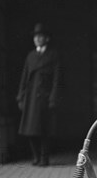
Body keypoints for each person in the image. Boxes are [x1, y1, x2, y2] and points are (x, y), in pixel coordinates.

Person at [16, 23, 62, 167]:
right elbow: (24, 76)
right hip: (31, 97)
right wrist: (21, 96)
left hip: (45, 97)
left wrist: (53, 97)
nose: (37, 39)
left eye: (40, 36)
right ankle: (35, 156)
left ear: (46, 39)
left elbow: (57, 78)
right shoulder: (31, 56)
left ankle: (44, 158)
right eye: (35, 37)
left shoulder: (53, 55)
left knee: (44, 130)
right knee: (30, 130)